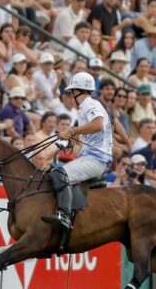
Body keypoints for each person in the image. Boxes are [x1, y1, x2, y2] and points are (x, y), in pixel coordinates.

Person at [42, 72, 112, 242]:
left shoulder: (89, 104)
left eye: (72, 91)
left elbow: (98, 124)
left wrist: (72, 131)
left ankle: (64, 216)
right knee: (55, 171)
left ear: (78, 91)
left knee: (60, 174)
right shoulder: (85, 107)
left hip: (96, 159)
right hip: (90, 156)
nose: (72, 95)